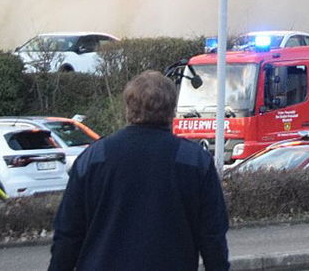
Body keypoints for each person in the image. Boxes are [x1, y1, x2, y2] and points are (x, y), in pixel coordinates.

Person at [48, 70, 229, 271]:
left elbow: (68, 234)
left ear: (128, 107)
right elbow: (212, 238)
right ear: (172, 110)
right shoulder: (194, 160)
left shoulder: (94, 158)